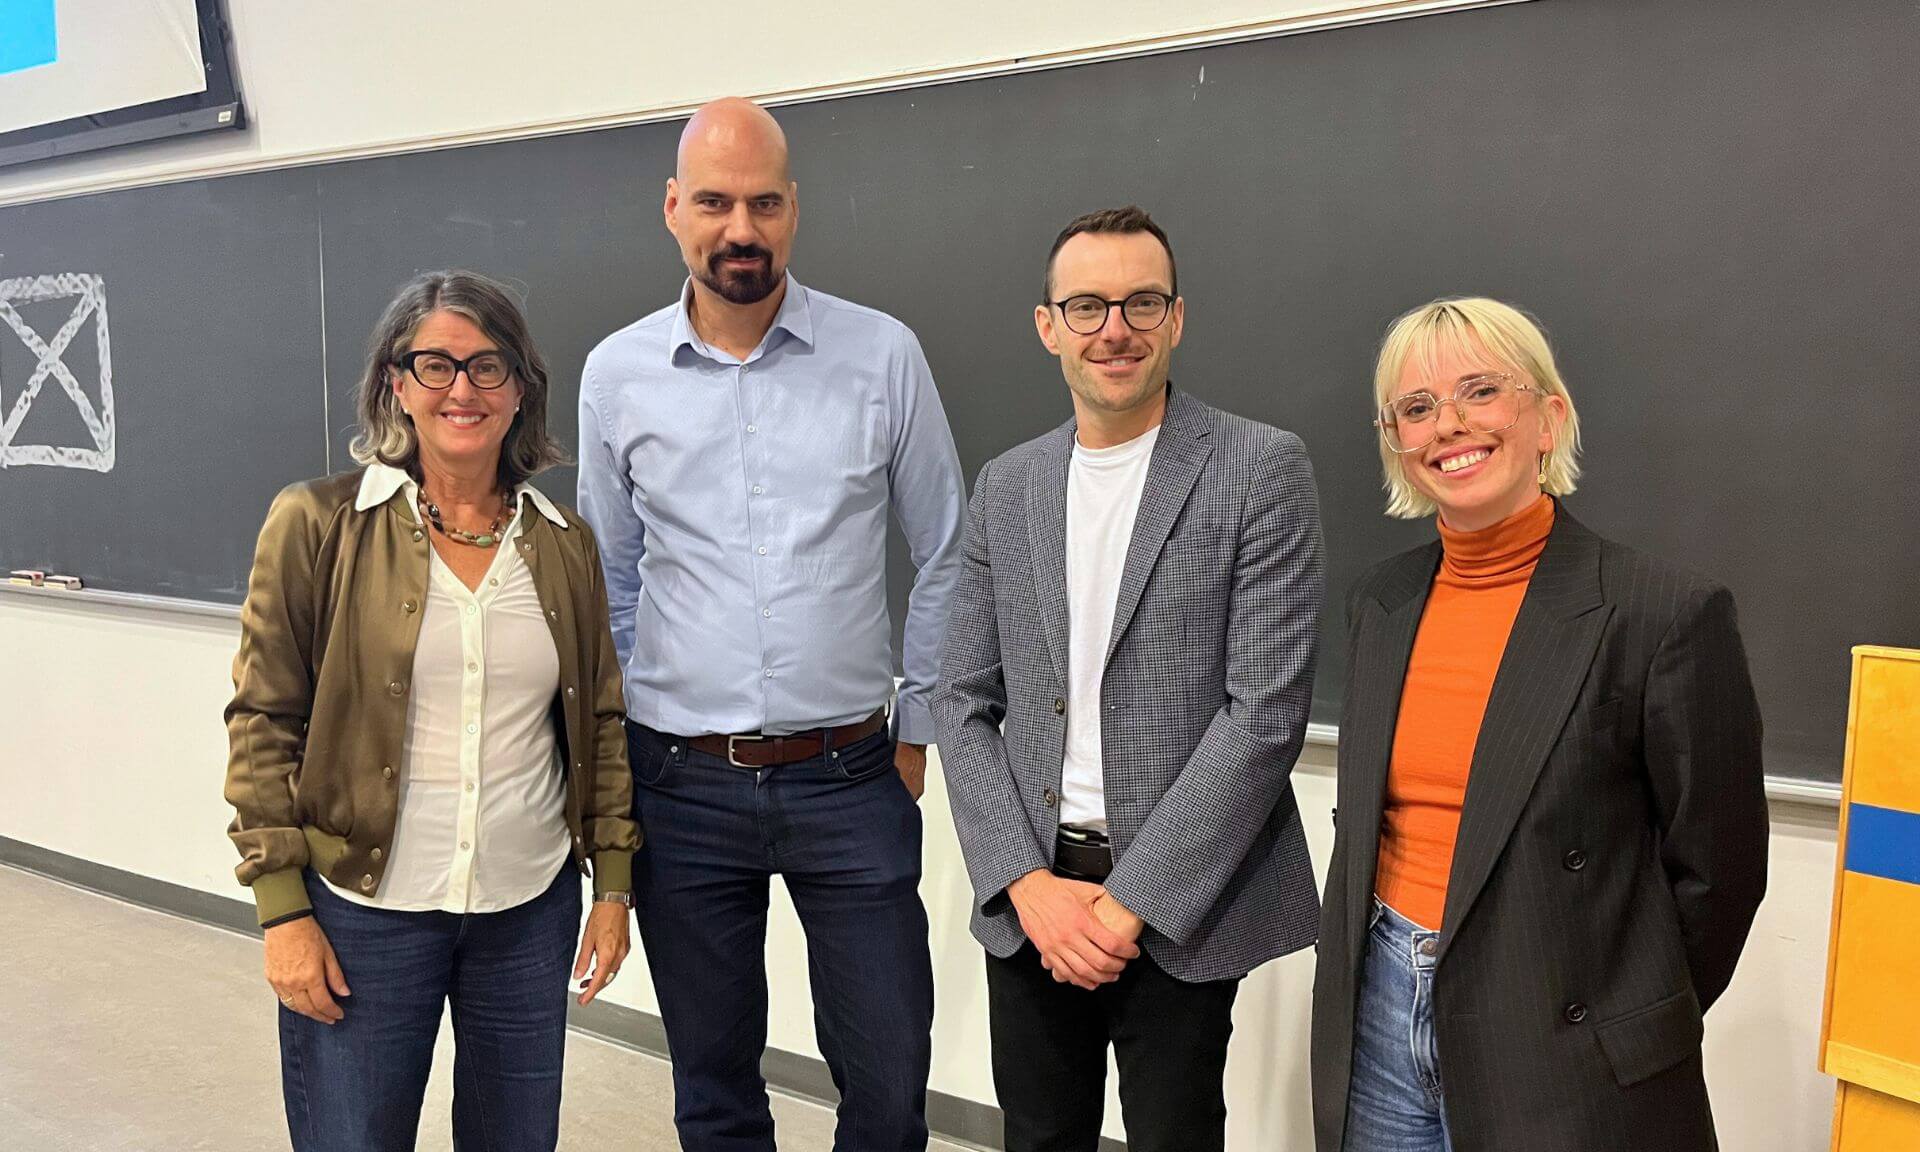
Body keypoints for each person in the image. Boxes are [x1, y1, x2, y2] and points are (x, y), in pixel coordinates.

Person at [575, 98, 965, 1151]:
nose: (737, 228)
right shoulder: (616, 377)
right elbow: (608, 578)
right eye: (713, 202)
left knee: (888, 1086)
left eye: (761, 203)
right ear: (672, 209)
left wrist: (917, 730)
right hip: (682, 783)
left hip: (851, 779)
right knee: (713, 1088)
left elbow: (946, 548)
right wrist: (616, 766)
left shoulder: (882, 355)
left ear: (794, 211)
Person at [1310, 297, 1769, 1151]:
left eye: (1480, 391)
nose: (1449, 426)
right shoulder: (1380, 603)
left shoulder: (1662, 611)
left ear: (1548, 416)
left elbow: (1720, 870)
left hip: (1560, 1033)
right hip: (1379, 1014)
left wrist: (1619, 1021)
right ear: (1397, 445)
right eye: (1416, 408)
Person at [933, 205, 1325, 1152]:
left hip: (1182, 908)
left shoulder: (1259, 468)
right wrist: (1026, 883)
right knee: (1036, 1136)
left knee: (1176, 1138)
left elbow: (1264, 713)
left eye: (1142, 303)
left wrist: (1125, 905)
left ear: (1176, 318)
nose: (1116, 329)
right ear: (1048, 327)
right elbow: (960, 697)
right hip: (1035, 901)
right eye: (1088, 306)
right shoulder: (1007, 484)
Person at [223, 270, 639, 1152]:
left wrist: (613, 886)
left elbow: (600, 723)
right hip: (362, 912)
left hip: (527, 912)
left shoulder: (565, 545)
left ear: (521, 390)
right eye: (435, 365)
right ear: (394, 385)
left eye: (489, 367)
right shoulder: (316, 524)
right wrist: (283, 911)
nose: (463, 389)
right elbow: (263, 722)